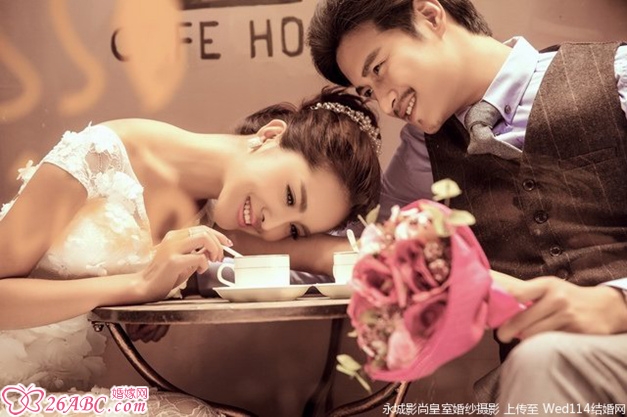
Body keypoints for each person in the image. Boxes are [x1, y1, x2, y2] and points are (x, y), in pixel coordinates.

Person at [307, 0, 627, 412]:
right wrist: (242, 240)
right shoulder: (423, 153)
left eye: (379, 69)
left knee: (544, 362)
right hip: (536, 388)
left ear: (429, 16)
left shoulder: (616, 76)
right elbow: (365, 244)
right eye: (368, 92)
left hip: (572, 366)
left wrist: (614, 304)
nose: (385, 104)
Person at [0, 86, 381, 416]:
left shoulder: (220, 216)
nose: (272, 226)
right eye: (290, 196)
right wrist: (137, 286)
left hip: (52, 389)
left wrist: (408, 252)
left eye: (294, 229)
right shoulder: (99, 155)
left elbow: (329, 254)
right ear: (270, 136)